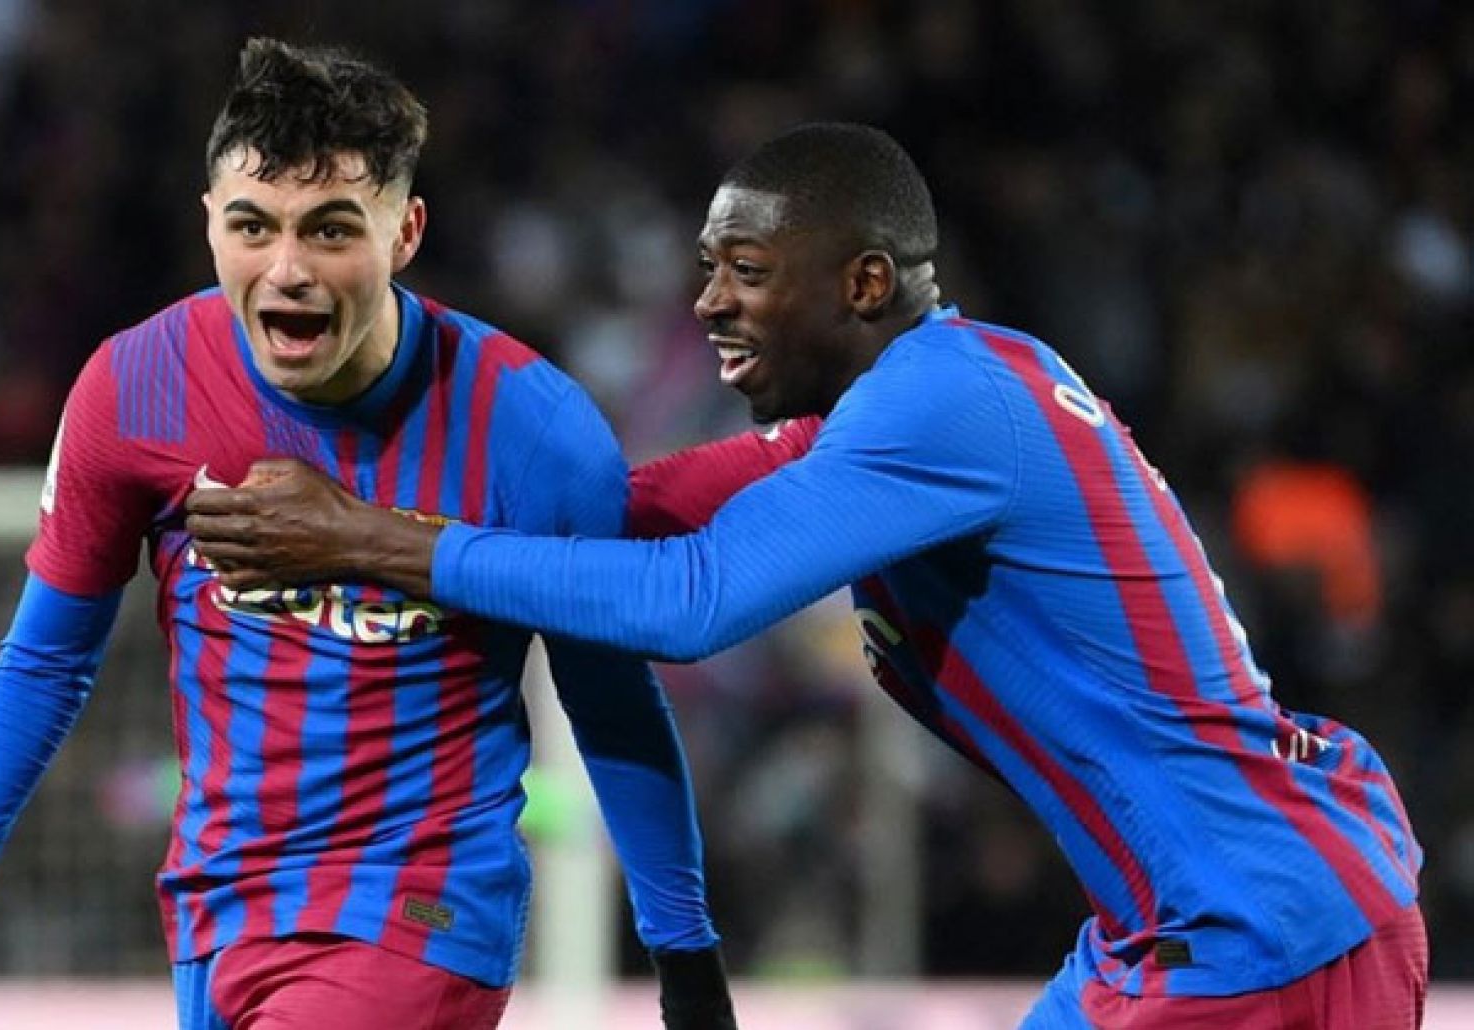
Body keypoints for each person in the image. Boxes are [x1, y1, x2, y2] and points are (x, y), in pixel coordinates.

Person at [185, 123, 1429, 1028]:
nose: (708, 303)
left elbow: (691, 600)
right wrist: (406, 479)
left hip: (1256, 928)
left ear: (863, 284)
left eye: (746, 270)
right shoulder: (921, 393)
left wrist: (366, 539)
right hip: (1214, 910)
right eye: (708, 267)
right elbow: (618, 513)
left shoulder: (940, 407)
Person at [0, 38, 737, 1030]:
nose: (287, 271)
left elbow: (610, 702)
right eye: (252, 226)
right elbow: (46, 663)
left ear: (405, 232)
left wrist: (685, 956)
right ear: (208, 223)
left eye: (330, 231)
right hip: (219, 911)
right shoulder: (134, 390)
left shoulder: (534, 431)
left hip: (418, 913)